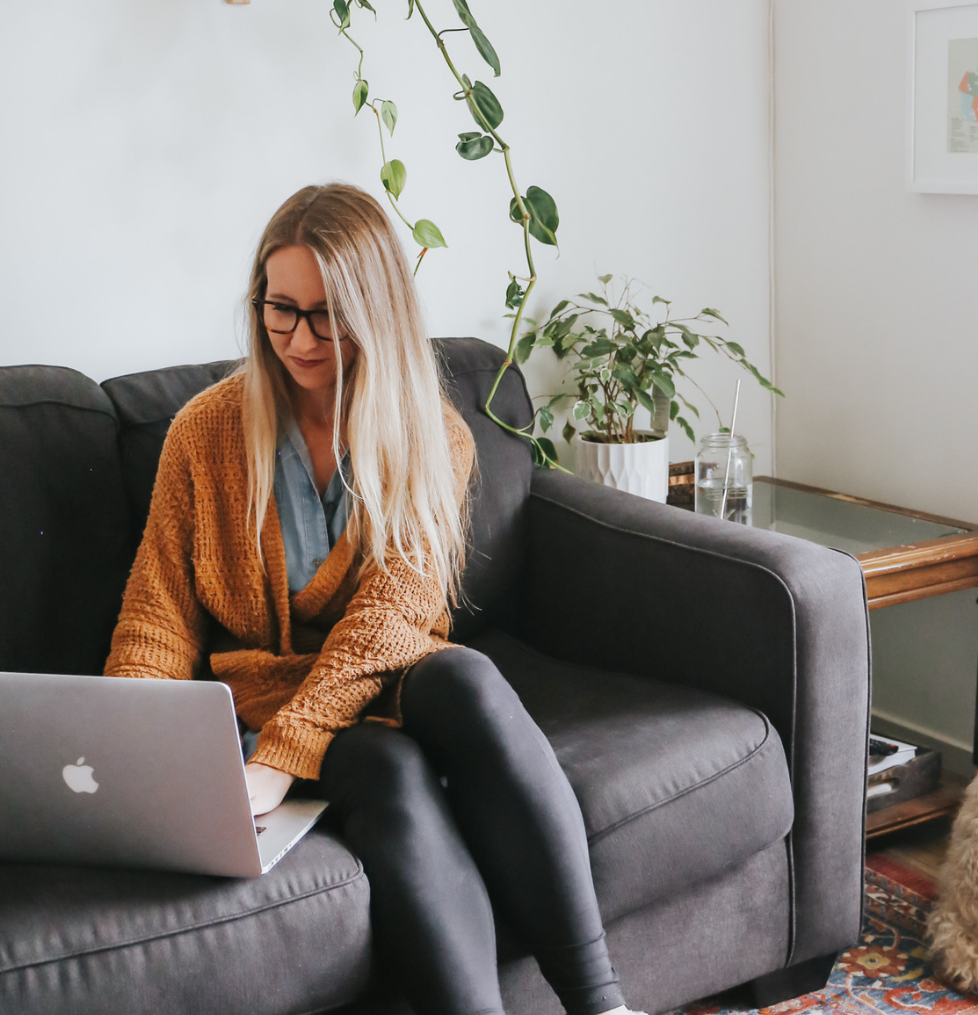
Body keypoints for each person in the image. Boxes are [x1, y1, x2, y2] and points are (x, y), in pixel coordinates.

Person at [104, 184, 642, 1015]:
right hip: (270, 702)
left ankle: (603, 1006)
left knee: (464, 678)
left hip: (390, 677)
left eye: (328, 315)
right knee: (384, 768)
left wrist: (282, 760)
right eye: (279, 310)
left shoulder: (433, 432)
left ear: (376, 312)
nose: (299, 338)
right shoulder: (202, 434)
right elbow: (157, 617)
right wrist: (133, 759)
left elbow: (390, 621)